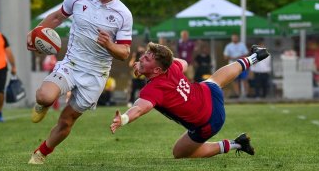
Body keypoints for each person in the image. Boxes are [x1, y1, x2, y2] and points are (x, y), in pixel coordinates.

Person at [27, 0, 133, 165]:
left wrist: (110, 45)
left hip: (96, 75)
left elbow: (124, 53)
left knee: (66, 121)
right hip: (72, 64)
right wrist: (34, 34)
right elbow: (57, 17)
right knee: (44, 96)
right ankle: (43, 104)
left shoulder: (123, 14)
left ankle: (41, 152)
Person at [110, 42, 269, 158]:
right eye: (144, 56)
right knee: (214, 80)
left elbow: (138, 109)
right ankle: (255, 56)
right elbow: (184, 63)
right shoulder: (170, 67)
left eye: (147, 59)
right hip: (208, 93)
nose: (141, 59)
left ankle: (237, 144)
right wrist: (149, 65)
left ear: (157, 69)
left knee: (179, 153)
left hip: (209, 120)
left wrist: (123, 119)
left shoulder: (153, 89)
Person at [223, 34, 249, 98]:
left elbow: (246, 54)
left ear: (238, 38)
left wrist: (239, 57)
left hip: (242, 65)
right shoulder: (228, 46)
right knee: (235, 81)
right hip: (233, 66)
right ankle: (238, 95)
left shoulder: (242, 45)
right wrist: (232, 58)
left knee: (244, 79)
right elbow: (225, 57)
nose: (234, 39)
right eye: (233, 38)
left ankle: (246, 94)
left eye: (235, 37)